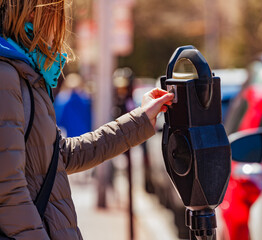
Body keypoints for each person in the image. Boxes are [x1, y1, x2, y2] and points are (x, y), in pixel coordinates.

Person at [0, 1, 174, 239]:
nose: (57, 27)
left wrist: (140, 119)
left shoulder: (24, 71)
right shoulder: (7, 75)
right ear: (33, 12)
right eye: (56, 14)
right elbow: (7, 192)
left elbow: (59, 155)